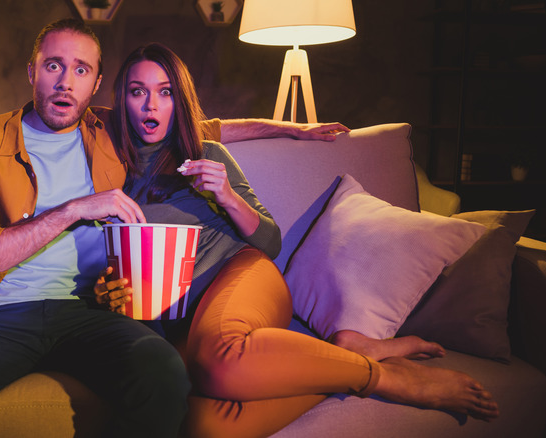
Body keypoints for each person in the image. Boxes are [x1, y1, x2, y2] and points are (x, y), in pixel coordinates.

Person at [0, 18, 347, 438]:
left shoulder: (106, 129)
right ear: (31, 70)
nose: (65, 82)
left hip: (89, 309)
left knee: (163, 376)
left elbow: (196, 124)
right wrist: (72, 210)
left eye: (81, 70)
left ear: (97, 84)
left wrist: (291, 129)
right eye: (53, 65)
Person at [94, 42, 500, 438]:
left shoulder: (207, 153)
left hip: (242, 270)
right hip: (182, 316)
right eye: (137, 92)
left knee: (218, 360)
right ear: (121, 101)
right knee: (204, 426)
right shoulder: (108, 166)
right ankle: (347, 353)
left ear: (177, 100)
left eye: (164, 92)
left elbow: (269, 242)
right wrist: (108, 290)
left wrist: (228, 196)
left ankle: (384, 378)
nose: (151, 105)